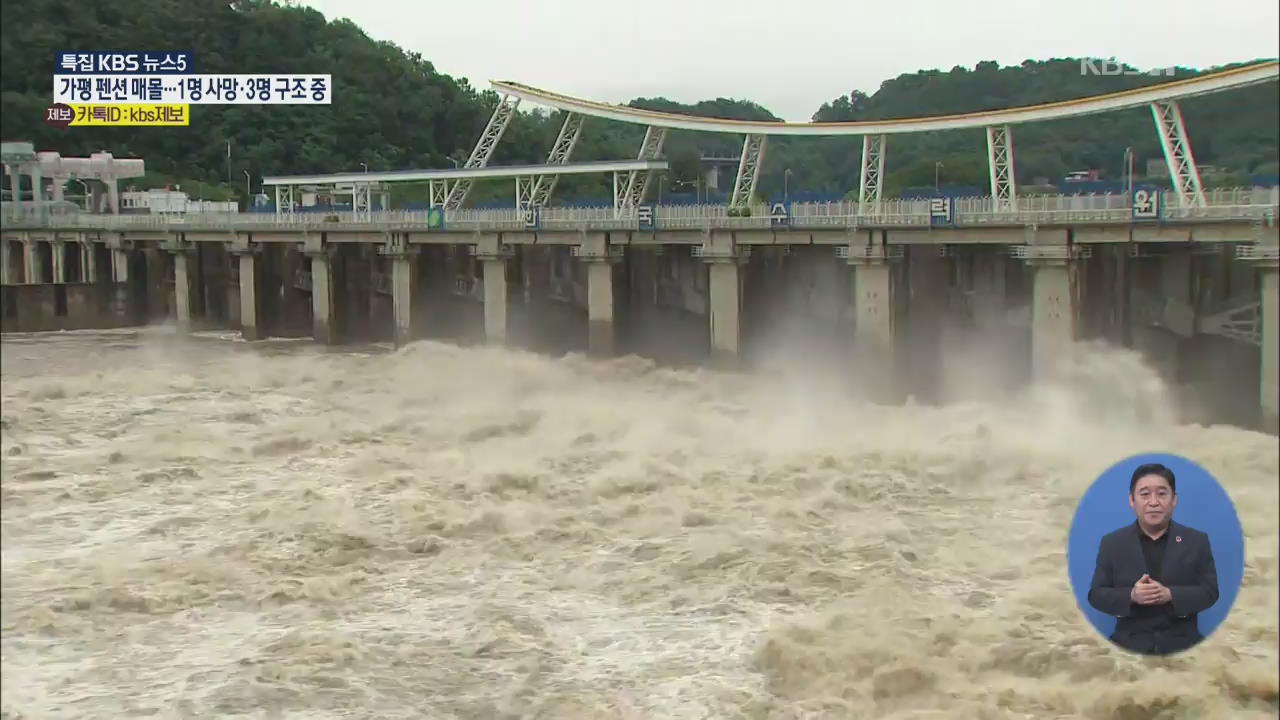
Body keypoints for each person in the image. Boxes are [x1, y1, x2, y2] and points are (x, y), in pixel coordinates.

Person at [1087, 462, 1219, 655]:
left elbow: (1210, 592)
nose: (1154, 502)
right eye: (1145, 494)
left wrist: (1170, 594)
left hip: (1185, 645)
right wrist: (1131, 596)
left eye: (1162, 493)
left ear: (1174, 500)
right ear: (1132, 500)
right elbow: (1096, 595)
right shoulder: (1112, 543)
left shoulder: (1197, 541)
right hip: (1127, 645)